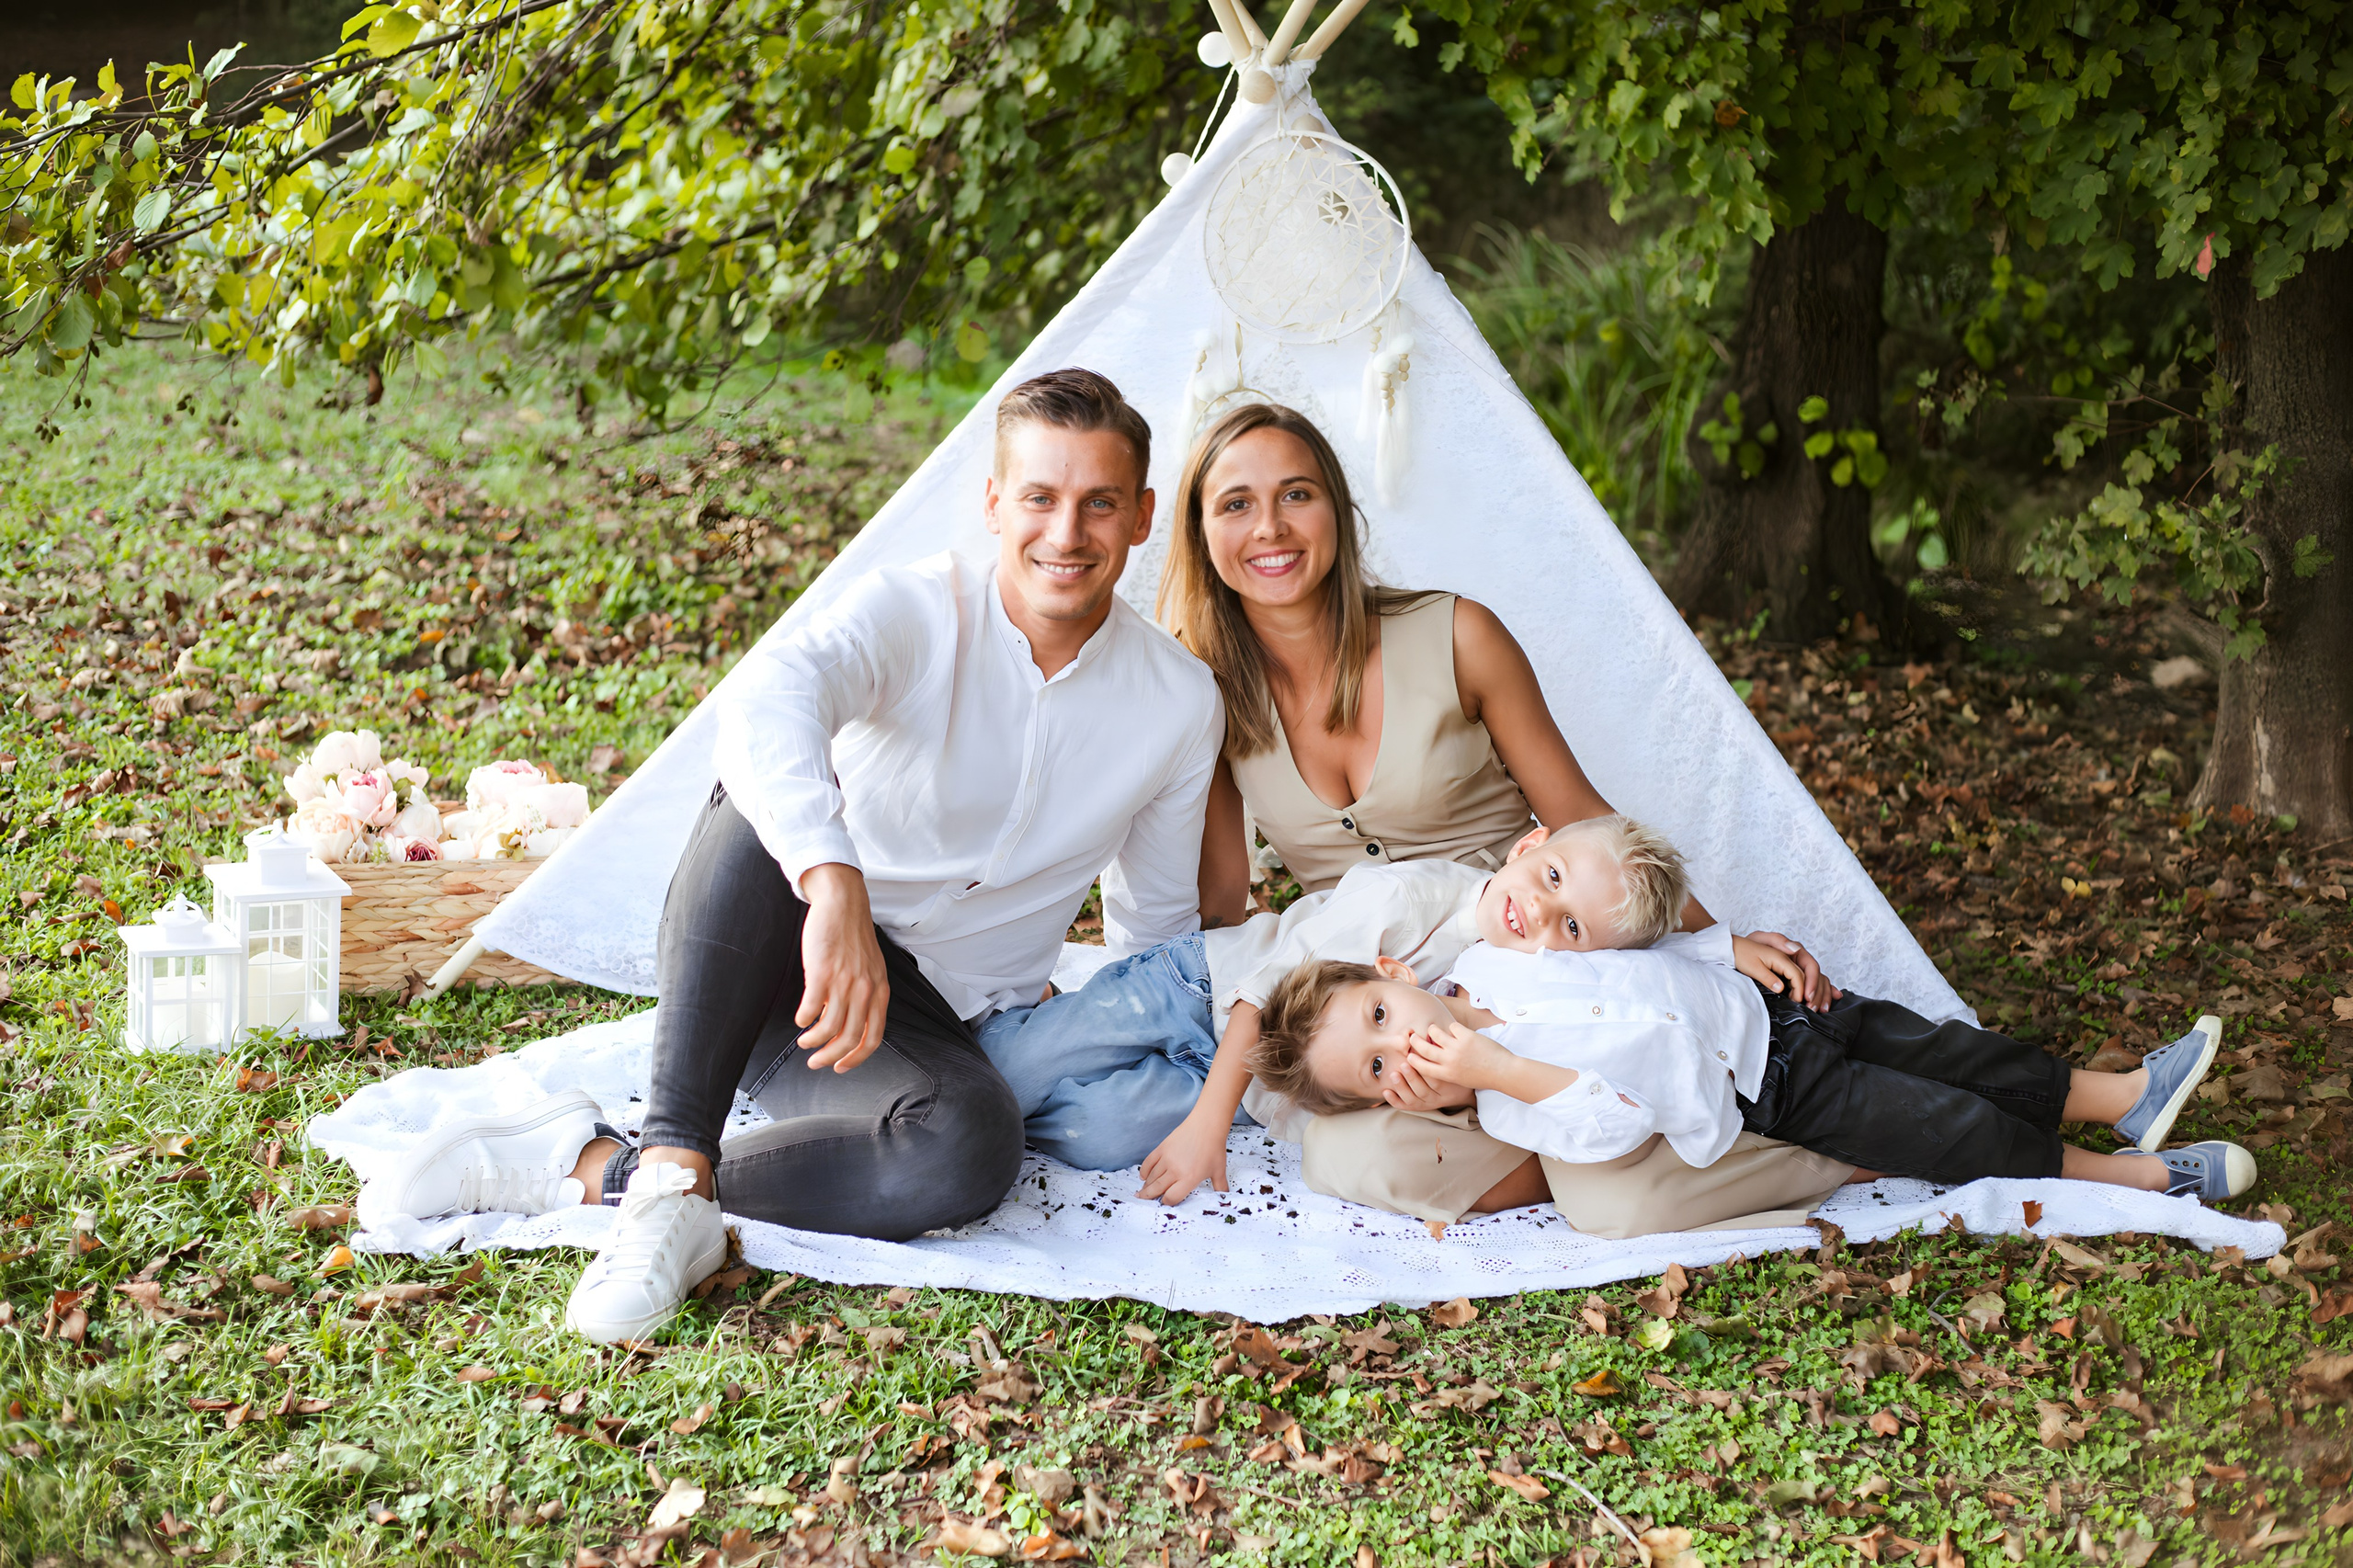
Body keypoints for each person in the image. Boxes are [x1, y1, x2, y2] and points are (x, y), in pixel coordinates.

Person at [359, 369, 1225, 1342]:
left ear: (1142, 514)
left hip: (914, 1028)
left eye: (1098, 503)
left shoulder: (1175, 701)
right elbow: (768, 695)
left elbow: (1153, 926)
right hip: (770, 960)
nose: (1066, 533)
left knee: (972, 1150)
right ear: (993, 503)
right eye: (1039, 497)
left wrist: (1194, 1062)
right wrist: (833, 881)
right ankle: (678, 1154)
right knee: (756, 797)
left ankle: (600, 1168)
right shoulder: (917, 610)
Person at [1132, 400, 1836, 1223]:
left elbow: (1576, 815)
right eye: (1236, 504)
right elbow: (1222, 900)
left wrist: (1712, 945)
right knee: (1340, 1150)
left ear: (1337, 511)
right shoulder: (1209, 693)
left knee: (1602, 1179)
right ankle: (1594, 1138)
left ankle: (1626, 1123)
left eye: (1297, 493)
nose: (1271, 528)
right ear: (1199, 533)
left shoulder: (1457, 633)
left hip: (1544, 954)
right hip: (1397, 1013)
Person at [1249, 817, 2255, 1204]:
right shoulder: (1507, 1102)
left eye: (1379, 1016)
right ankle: (2136, 1176)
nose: (1398, 1048)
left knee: (1953, 1052)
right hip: (1772, 1088)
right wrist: (1489, 1070)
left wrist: (1718, 945)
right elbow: (1615, 1115)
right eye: (1376, 1071)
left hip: (1766, 1008)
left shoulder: (1495, 943)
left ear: (1395, 970)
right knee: (1945, 1125)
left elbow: (1620, 947)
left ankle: (2118, 1091)